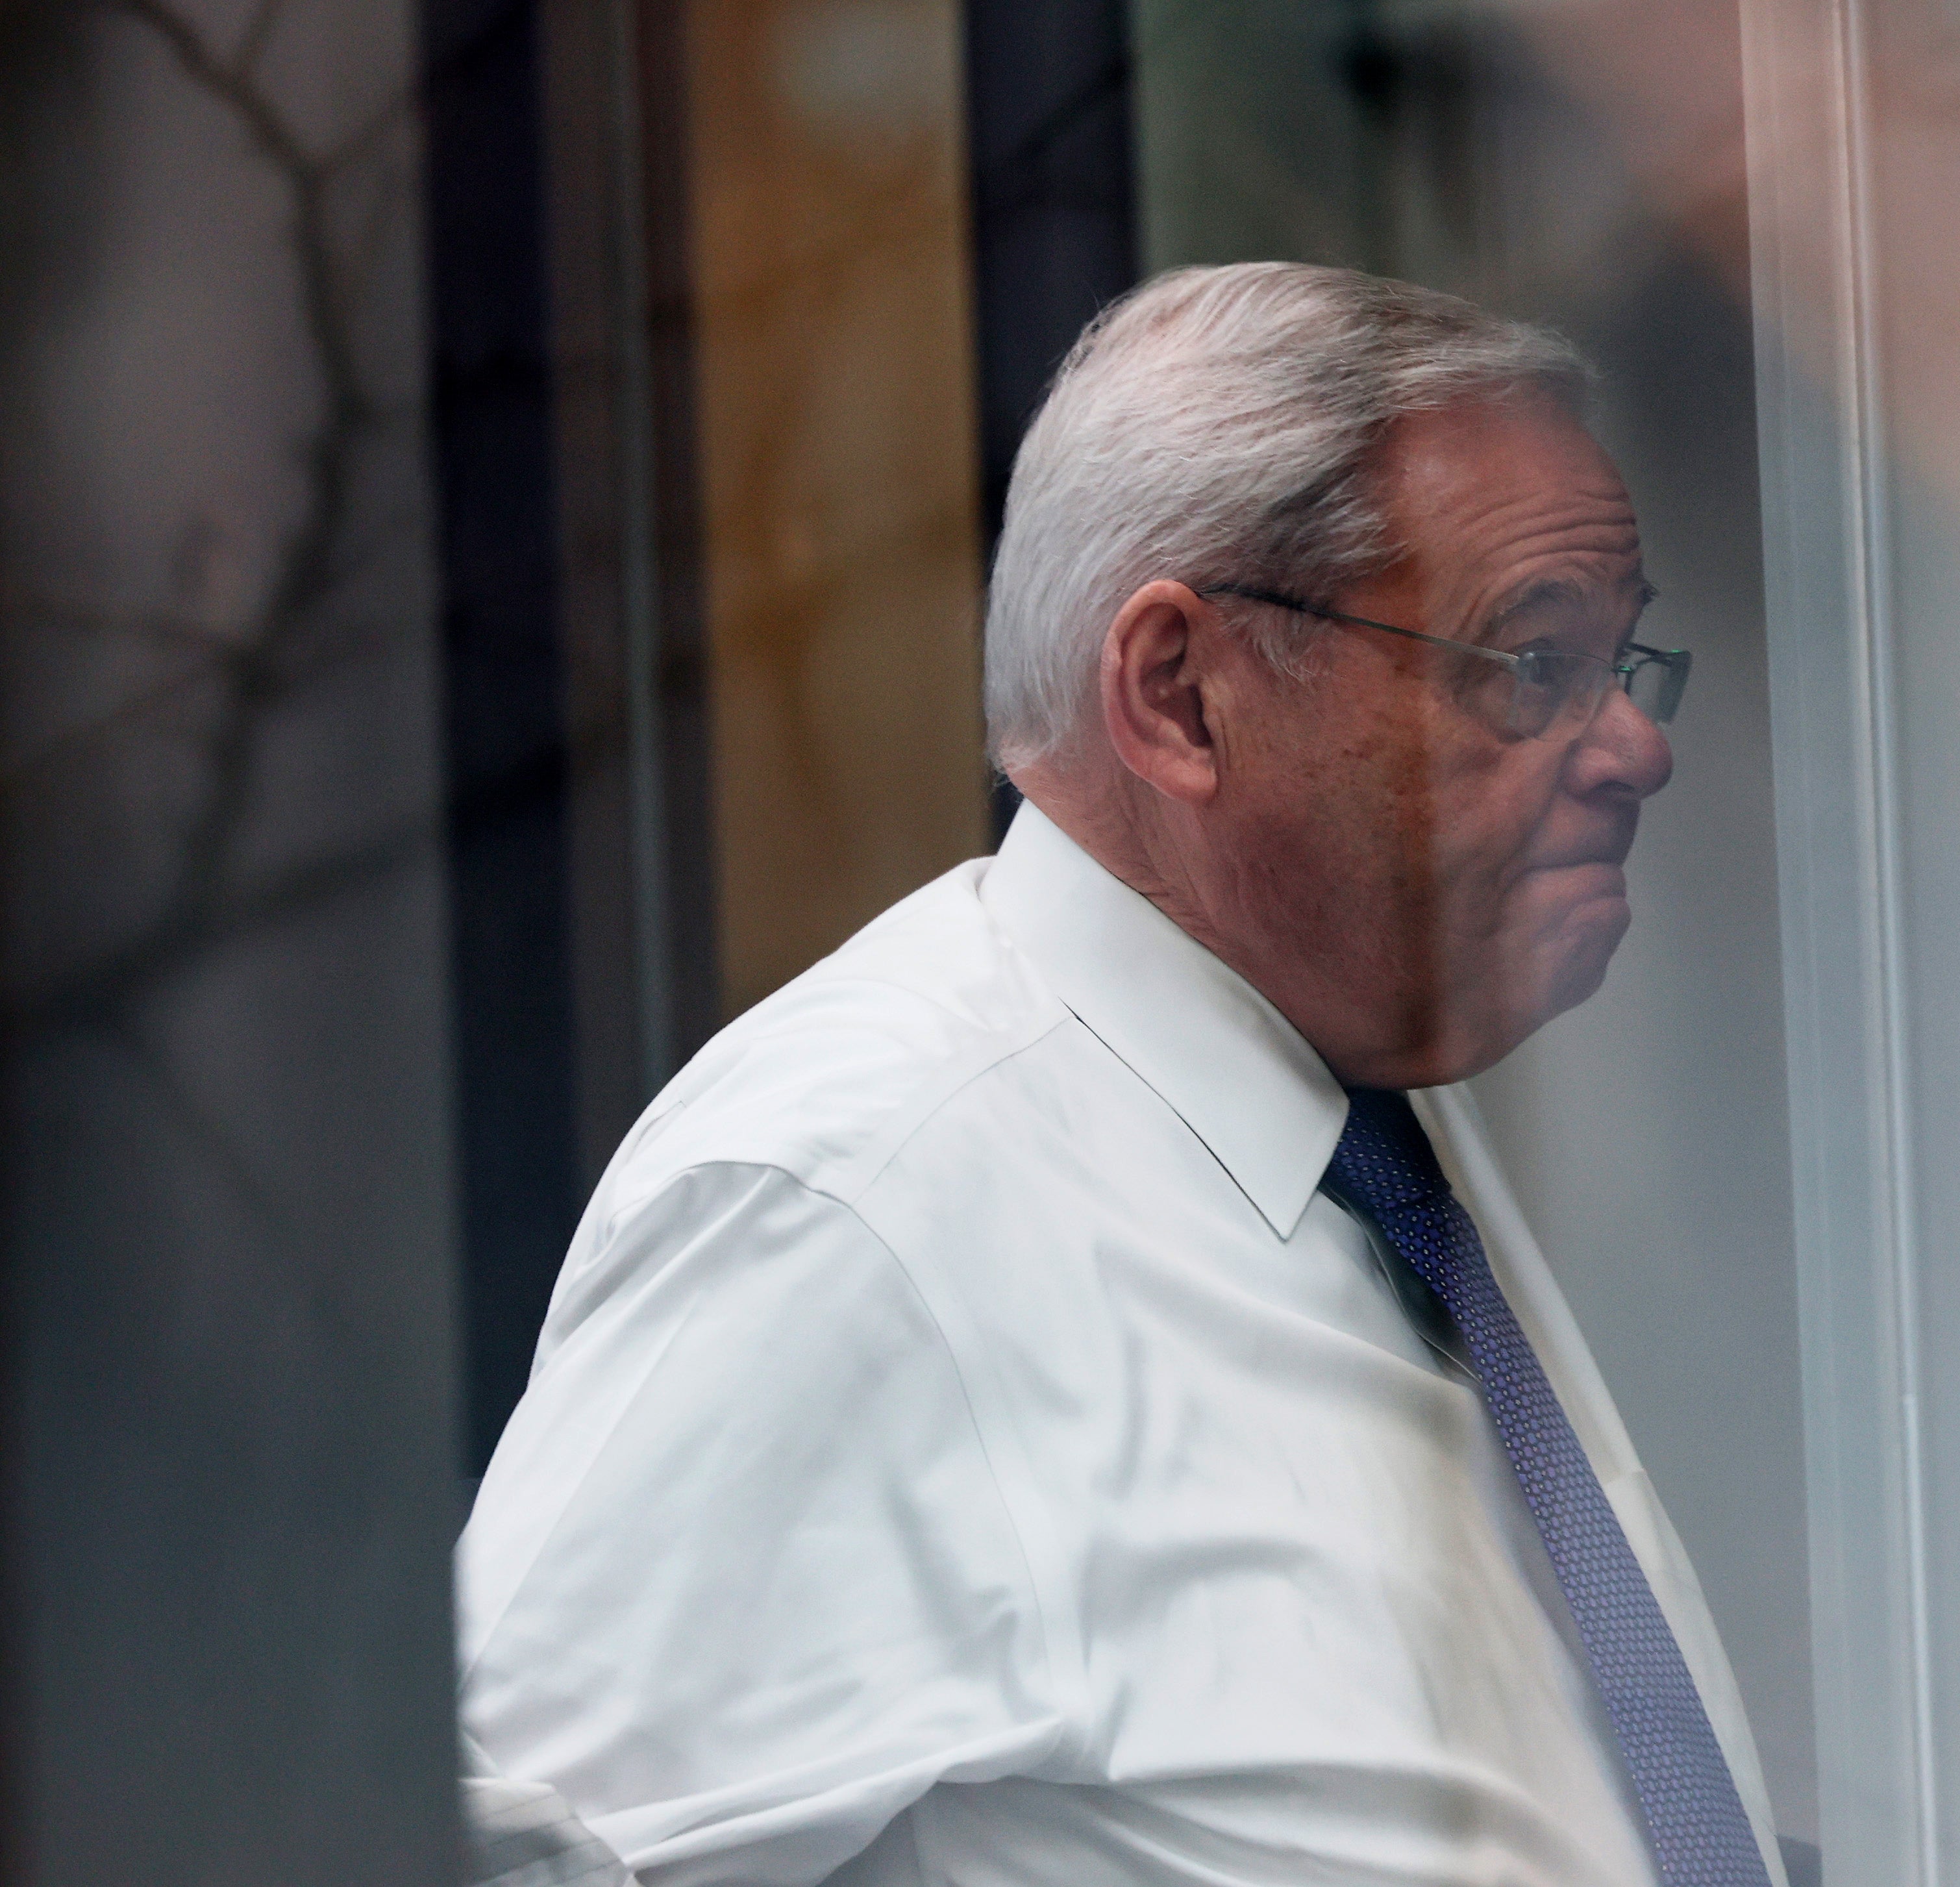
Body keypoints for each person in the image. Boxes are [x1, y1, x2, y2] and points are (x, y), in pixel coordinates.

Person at [456, 262, 1784, 1887]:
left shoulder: (1365, 1103)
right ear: (1179, 694)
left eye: (1623, 661)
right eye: (1526, 664)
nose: (1635, 747)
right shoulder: (864, 1188)